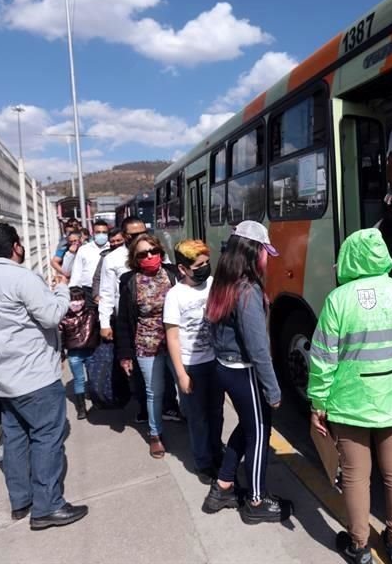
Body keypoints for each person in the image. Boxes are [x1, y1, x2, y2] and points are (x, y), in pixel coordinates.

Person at [308, 228, 392, 564]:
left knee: (354, 475)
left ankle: (360, 547)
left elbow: (322, 360)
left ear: (349, 257)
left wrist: (318, 404)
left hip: (349, 405)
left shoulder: (338, 299)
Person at [0, 223, 89, 530]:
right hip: (35, 375)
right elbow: (51, 315)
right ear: (16, 246)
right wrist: (60, 290)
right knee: (47, 437)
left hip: (1, 377)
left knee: (15, 438)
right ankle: (48, 507)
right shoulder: (22, 277)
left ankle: (21, 501)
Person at [201, 220, 291, 525]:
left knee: (250, 426)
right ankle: (256, 500)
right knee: (261, 433)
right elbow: (258, 348)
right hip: (244, 372)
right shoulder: (248, 290)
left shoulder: (224, 282)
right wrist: (273, 390)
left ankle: (224, 486)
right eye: (265, 252)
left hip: (226, 367)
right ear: (253, 252)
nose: (267, 259)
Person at [99, 217, 183, 424]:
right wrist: (104, 323)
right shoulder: (112, 260)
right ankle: (147, 411)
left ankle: (169, 407)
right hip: (132, 322)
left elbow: (173, 278)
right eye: (135, 235)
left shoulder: (159, 257)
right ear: (125, 236)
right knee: (143, 376)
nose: (149, 255)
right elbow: (106, 293)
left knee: (170, 374)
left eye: (143, 232)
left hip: (167, 327)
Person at [164, 239, 224, 484]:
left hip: (216, 362)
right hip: (192, 365)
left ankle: (217, 452)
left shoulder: (213, 284)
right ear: (182, 269)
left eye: (207, 263)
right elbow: (173, 337)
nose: (204, 268)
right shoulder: (175, 295)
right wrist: (181, 373)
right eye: (198, 265)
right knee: (197, 417)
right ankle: (203, 462)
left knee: (217, 412)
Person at [115, 234, 176, 458]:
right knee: (154, 391)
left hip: (174, 342)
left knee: (186, 386)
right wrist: (125, 355)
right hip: (146, 345)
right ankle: (155, 434)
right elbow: (123, 321)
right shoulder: (130, 281)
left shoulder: (173, 274)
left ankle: (196, 425)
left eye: (153, 251)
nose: (149, 256)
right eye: (143, 254)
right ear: (135, 258)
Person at [60, 286, 100, 420]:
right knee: (79, 380)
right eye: (73, 300)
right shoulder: (63, 318)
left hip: (91, 351)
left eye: (80, 299)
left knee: (93, 377)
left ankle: (94, 399)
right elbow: (60, 337)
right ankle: (81, 408)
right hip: (74, 354)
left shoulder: (92, 313)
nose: (77, 303)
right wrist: (61, 356)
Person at [70, 220, 111, 298]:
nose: (101, 234)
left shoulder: (112, 249)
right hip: (87, 291)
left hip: (107, 290)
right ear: (93, 233)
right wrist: (73, 289)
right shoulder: (84, 249)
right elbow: (77, 271)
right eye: (98, 232)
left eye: (104, 232)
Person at [91, 227, 125, 303]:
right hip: (110, 297)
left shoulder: (131, 255)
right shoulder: (105, 256)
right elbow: (97, 277)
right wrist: (96, 295)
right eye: (112, 241)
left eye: (118, 240)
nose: (116, 243)